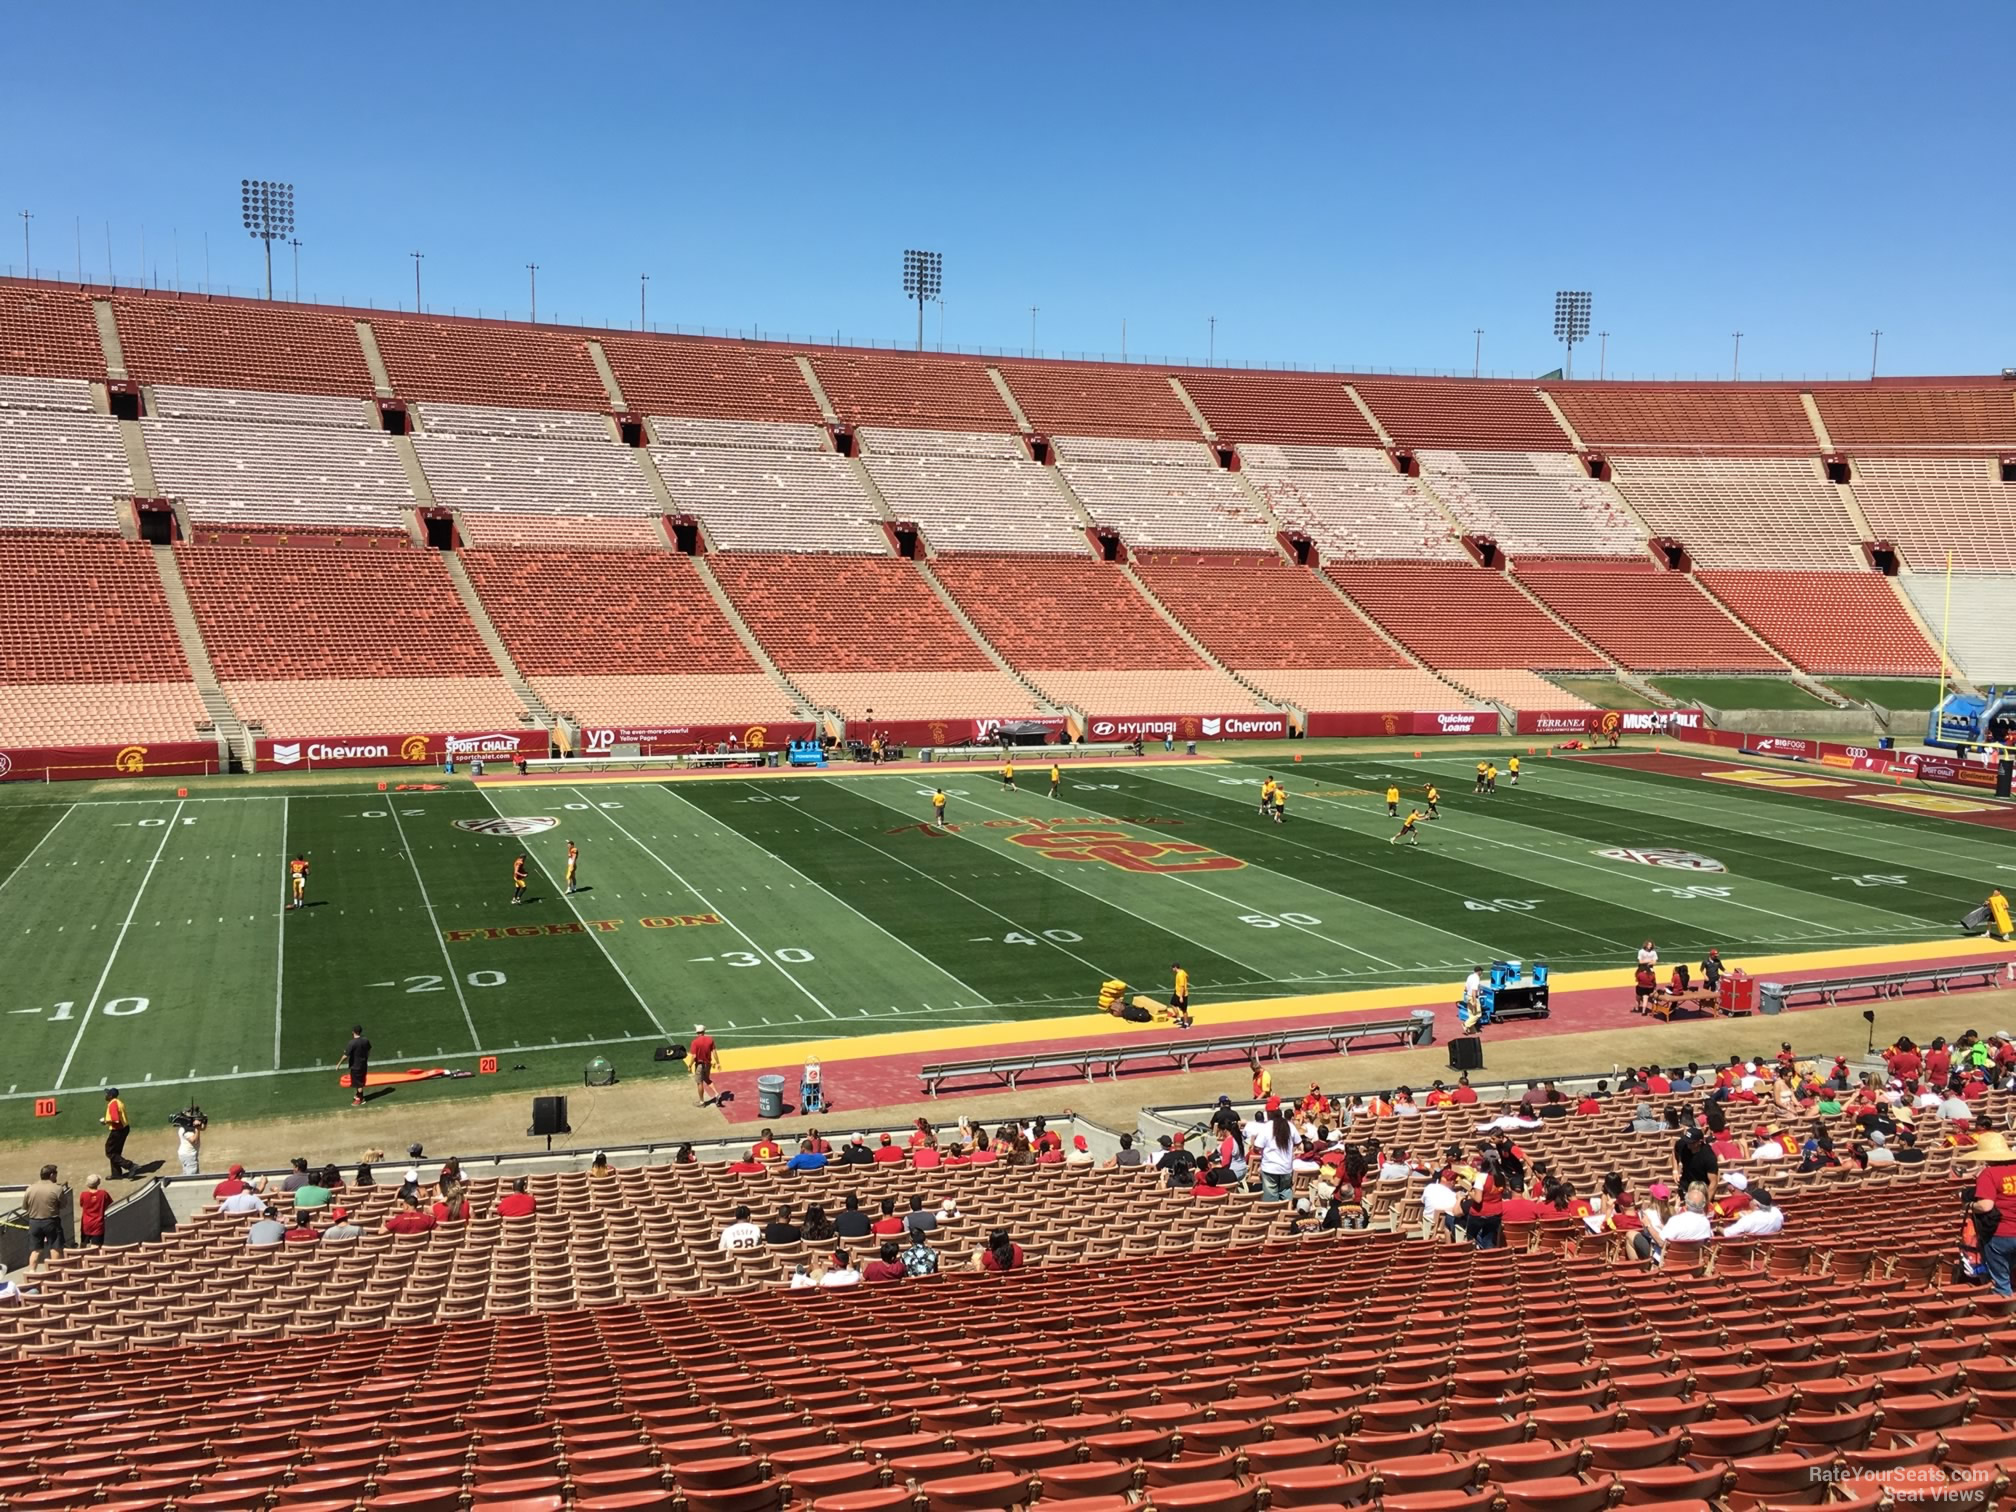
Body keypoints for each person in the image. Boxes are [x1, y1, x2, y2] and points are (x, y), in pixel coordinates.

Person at [99, 1088, 137, 1180]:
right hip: (124, 1129)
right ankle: (116, 1173)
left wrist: (105, 1121)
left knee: (110, 1152)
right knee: (116, 1152)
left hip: (118, 1130)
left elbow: (116, 1119)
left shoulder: (113, 1104)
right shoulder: (118, 1102)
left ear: (111, 1096)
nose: (106, 1095)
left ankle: (130, 1165)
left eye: (107, 1094)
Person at [341, 1026, 372, 1108]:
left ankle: (360, 1099)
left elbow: (345, 1056)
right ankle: (358, 1095)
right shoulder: (365, 1040)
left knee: (358, 1084)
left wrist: (338, 1064)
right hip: (363, 1064)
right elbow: (369, 1050)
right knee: (359, 1081)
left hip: (355, 1066)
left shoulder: (352, 1043)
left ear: (353, 1032)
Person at [689, 1025, 718, 1106]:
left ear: (697, 1032)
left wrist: (690, 1065)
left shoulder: (695, 1042)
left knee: (699, 1082)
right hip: (708, 1064)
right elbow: (714, 1052)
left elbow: (694, 1056)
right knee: (707, 1079)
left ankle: (702, 1102)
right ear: (704, 1031)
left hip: (700, 1065)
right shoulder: (710, 1040)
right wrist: (718, 1062)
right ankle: (716, 1093)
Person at [1168, 963, 1192, 1029]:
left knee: (1183, 1010)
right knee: (1172, 1004)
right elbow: (1187, 976)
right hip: (1177, 993)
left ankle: (1186, 1024)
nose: (1172, 969)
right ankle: (1179, 1018)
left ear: (1175, 967)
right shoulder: (1182, 972)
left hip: (1181, 995)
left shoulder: (1180, 975)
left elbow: (1182, 986)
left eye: (1173, 968)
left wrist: (1181, 997)